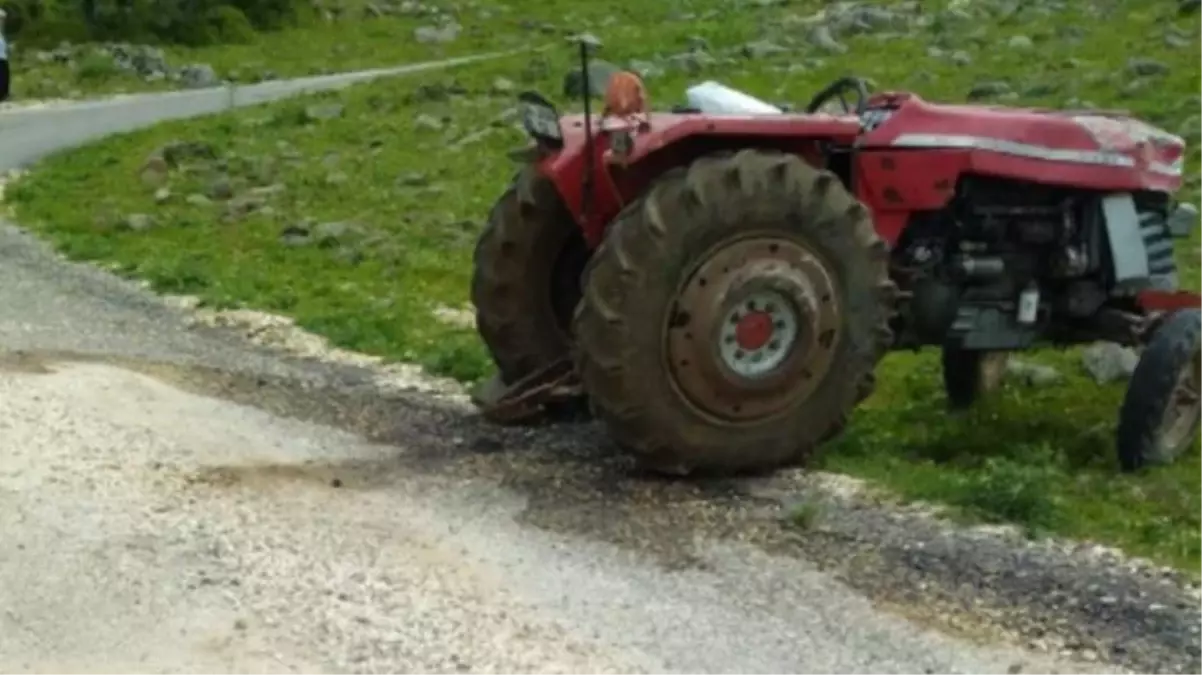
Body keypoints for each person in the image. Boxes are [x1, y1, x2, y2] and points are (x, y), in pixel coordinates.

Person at [0, 9, 9, 102]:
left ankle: (4, 95)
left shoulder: (1, 35)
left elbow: (3, 14)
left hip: (3, 58)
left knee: (4, 78)